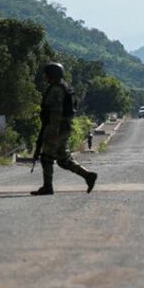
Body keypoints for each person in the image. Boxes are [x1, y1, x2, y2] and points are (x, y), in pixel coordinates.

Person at [32, 62, 97, 196]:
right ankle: (88, 175)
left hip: (57, 128)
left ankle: (48, 187)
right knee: (63, 160)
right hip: (62, 128)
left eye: (47, 75)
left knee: (46, 157)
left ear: (52, 75)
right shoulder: (62, 87)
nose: (46, 78)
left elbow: (56, 113)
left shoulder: (57, 90)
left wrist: (53, 132)